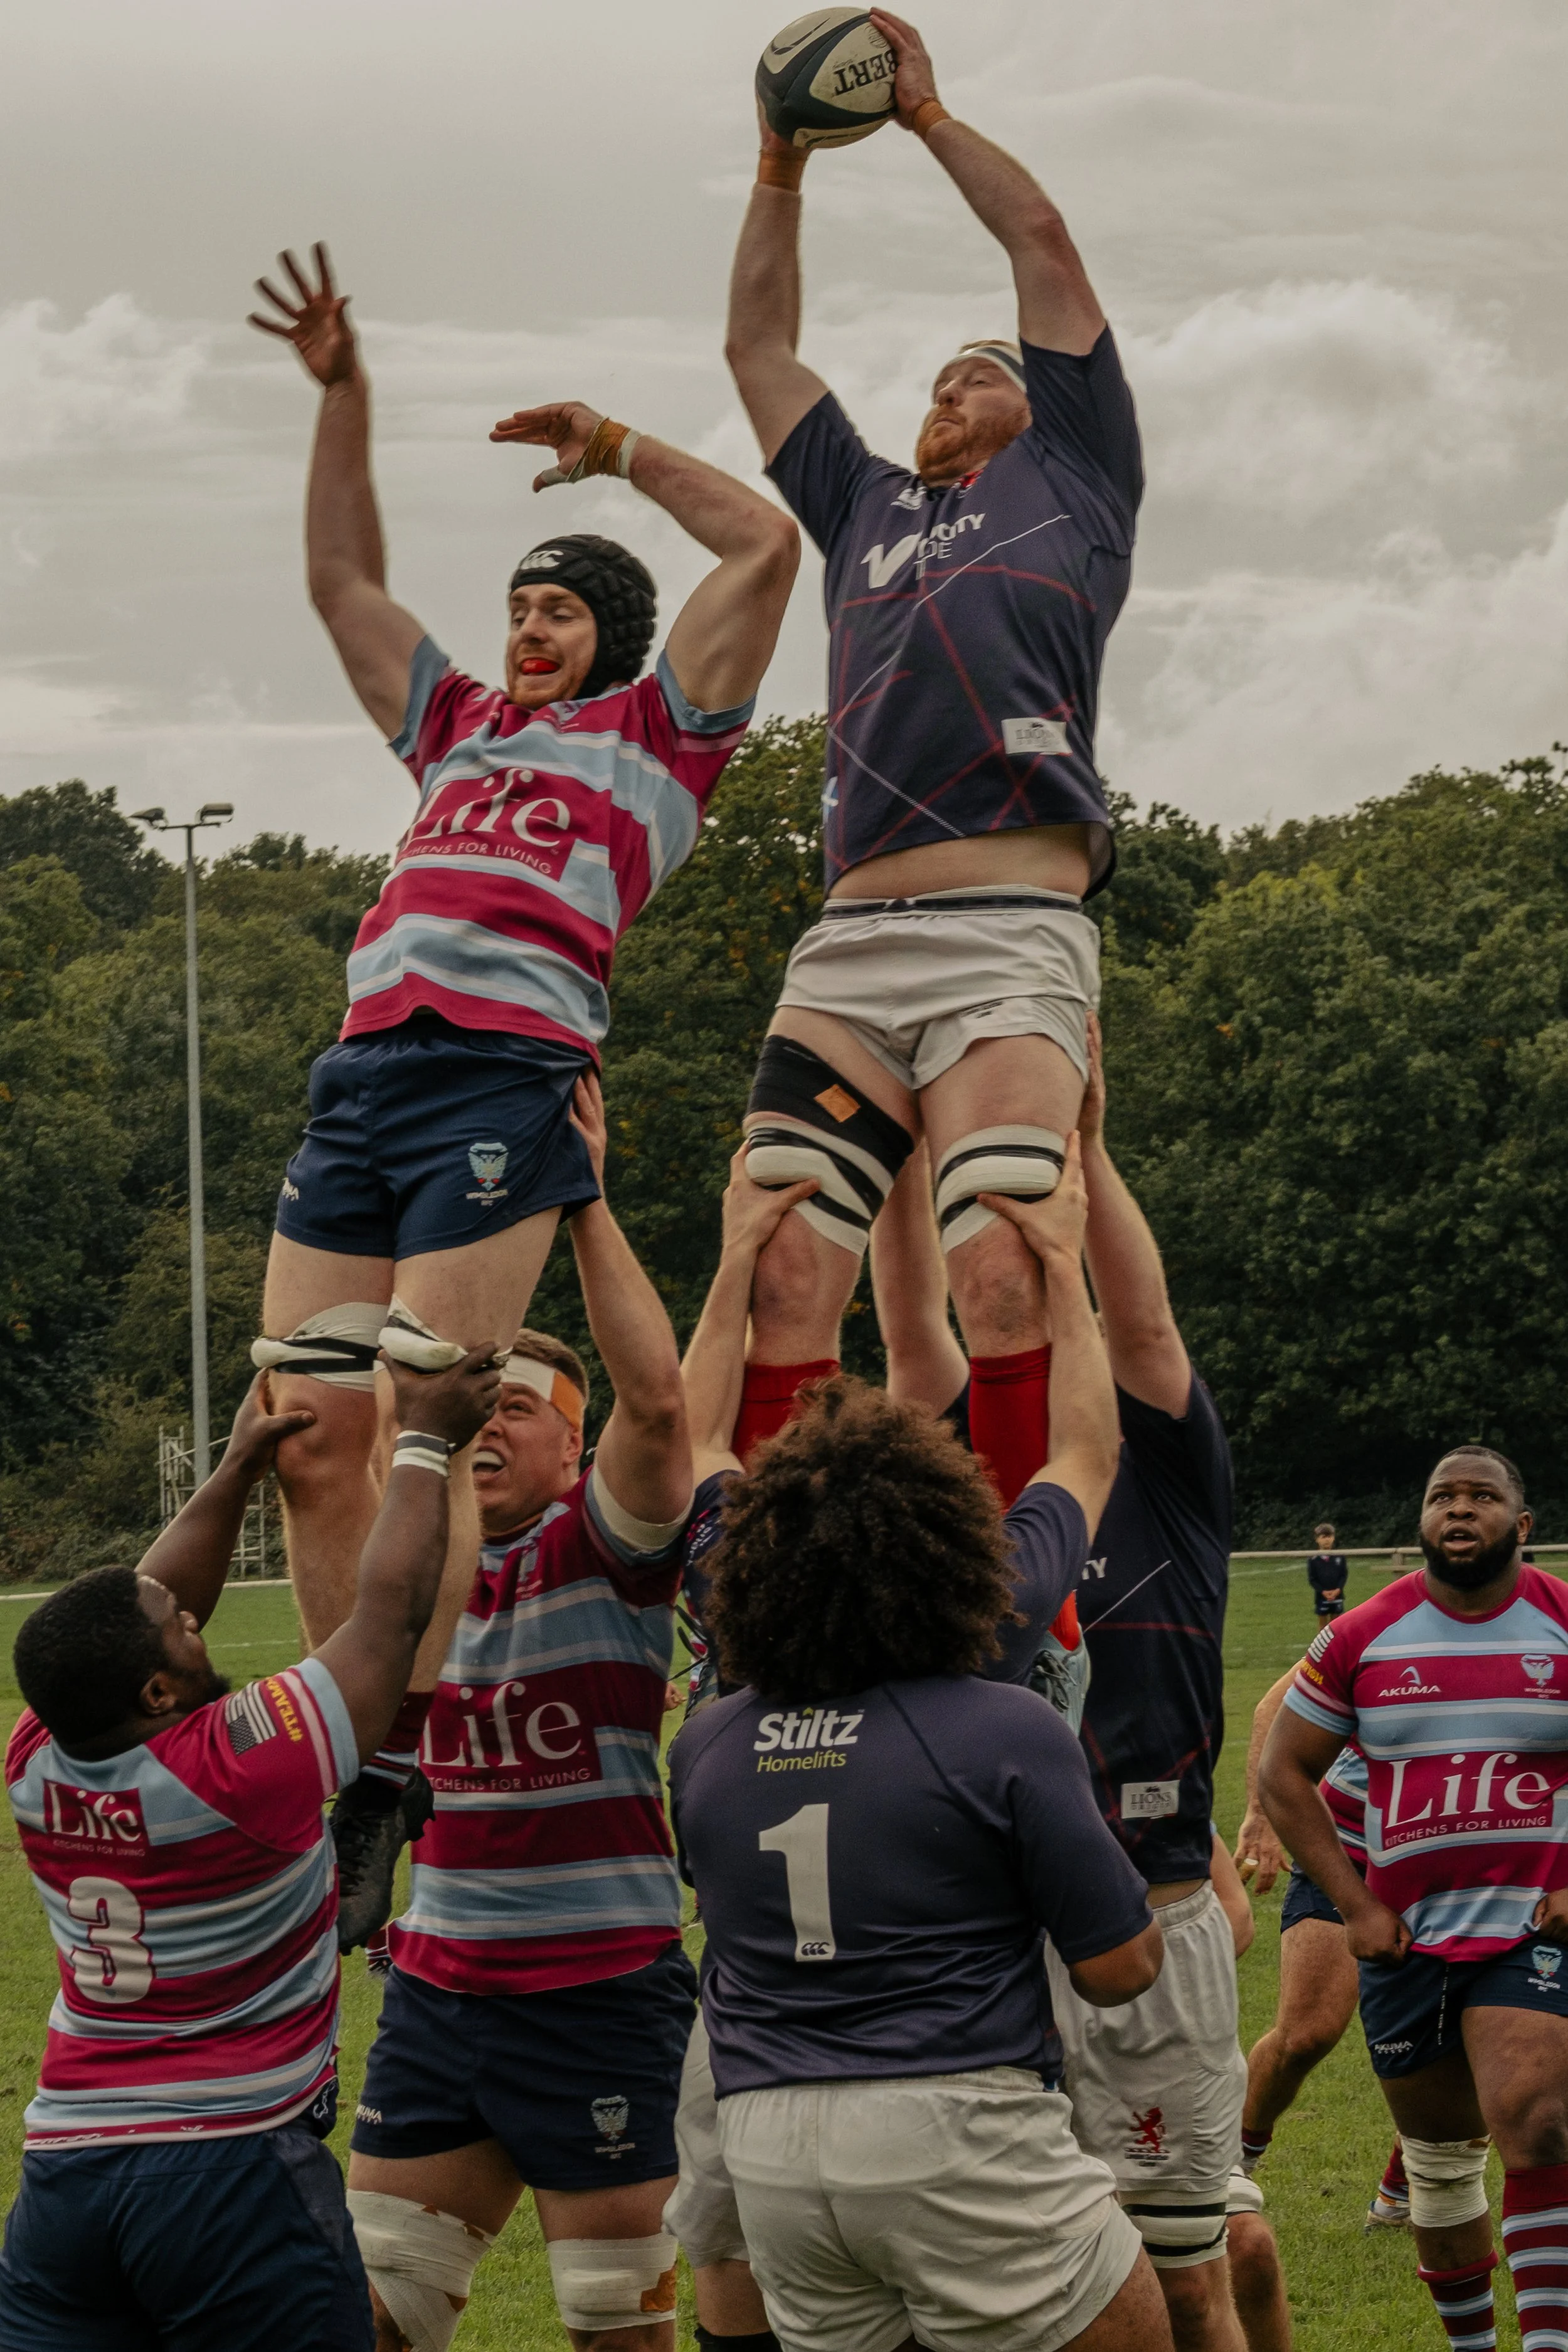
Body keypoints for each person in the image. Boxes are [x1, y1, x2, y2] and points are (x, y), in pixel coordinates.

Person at [243, 242, 799, 1942]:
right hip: (364, 1078)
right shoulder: (454, 728)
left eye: (553, 606)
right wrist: (346, 397)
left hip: (505, 1079)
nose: (523, 627)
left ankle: (404, 1753)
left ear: (612, 636)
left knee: (427, 1411)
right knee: (303, 1432)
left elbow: (768, 542)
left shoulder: (661, 739)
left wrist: (620, 442)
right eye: (516, 608)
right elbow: (342, 581)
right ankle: (364, 1766)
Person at [669, 1139, 1177, 2352]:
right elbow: (1120, 1970)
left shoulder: (712, 1737)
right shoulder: (996, 1699)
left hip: (773, 2149)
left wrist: (736, 1254)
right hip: (953, 2124)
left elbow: (691, 1446)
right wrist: (1060, 1262)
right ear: (948, 1541)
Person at [722, 8, 1142, 1471]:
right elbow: (756, 346)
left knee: (1008, 1258)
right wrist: (780, 164)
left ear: (1043, 407)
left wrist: (923, 117)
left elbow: (1043, 247)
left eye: (982, 370)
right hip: (850, 941)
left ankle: (1034, 1613)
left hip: (1011, 926)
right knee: (778, 1265)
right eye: (939, 377)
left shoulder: (1075, 475)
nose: (950, 383)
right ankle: (761, 1614)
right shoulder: (865, 505)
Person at [861, 1015, 1283, 2352]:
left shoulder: (1162, 1474)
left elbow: (1141, 1320)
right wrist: (902, 1163)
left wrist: (1082, 1160)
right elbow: (911, 1334)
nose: (1029, 1312)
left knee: (1177, 2279)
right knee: (985, 2286)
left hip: (1152, 1914)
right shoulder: (951, 1488)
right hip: (977, 1939)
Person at [0, 1349, 500, 2352]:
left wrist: (233, 1470)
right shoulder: (232, 1767)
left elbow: (140, 1598)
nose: (190, 1616)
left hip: (65, 2184)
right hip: (223, 2172)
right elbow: (392, 1618)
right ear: (155, 1693)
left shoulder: (37, 1756)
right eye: (178, 1631)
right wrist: (422, 1438)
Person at [344, 1078, 703, 2352]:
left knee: (616, 2329)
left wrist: (581, 1196)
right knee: (377, 2321)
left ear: (572, 1447)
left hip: (598, 1995)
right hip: (437, 2002)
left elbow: (662, 1406)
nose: (488, 1419)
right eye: (474, 1396)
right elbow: (375, 1406)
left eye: (520, 1406)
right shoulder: (402, 1576)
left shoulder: (599, 1552)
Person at [1261, 1446, 1568, 2352]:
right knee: (1439, 2168)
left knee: (1540, 2120)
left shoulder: (1562, 1623)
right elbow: (1285, 1771)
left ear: (1523, 1525)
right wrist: (1356, 1905)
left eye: (1483, 1495)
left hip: (1528, 1928)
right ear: (1421, 1523)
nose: (1459, 1508)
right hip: (1404, 1940)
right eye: (1443, 1496)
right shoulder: (1364, 1634)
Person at [1232, 1670, 1410, 2232]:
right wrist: (1261, 1816)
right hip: (1346, 1851)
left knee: (1475, 2030)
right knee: (1305, 2035)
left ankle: (1404, 2194)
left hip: (1467, 1859)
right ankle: (1232, 2165)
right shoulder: (1380, 1626)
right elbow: (1271, 1706)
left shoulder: (1547, 1630)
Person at [1306, 1526, 1349, 1622]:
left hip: (1337, 1596)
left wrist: (1338, 1590)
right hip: (1322, 1597)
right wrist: (1323, 1592)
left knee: (1336, 1624)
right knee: (1323, 1627)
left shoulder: (1340, 1556)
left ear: (1333, 1538)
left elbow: (1344, 1575)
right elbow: (1312, 1579)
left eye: (1329, 1537)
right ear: (1317, 1539)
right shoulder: (1313, 1559)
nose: (1327, 1540)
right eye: (1324, 1537)